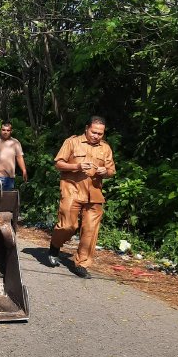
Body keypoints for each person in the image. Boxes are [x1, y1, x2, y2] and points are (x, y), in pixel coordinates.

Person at [48, 115, 116, 279]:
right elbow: (58, 163)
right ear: (86, 128)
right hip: (72, 189)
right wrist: (77, 166)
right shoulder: (72, 142)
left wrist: (105, 172)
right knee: (68, 226)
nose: (96, 136)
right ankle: (55, 246)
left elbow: (111, 171)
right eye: (94, 132)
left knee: (90, 231)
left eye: (100, 134)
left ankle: (82, 264)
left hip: (94, 193)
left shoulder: (105, 148)